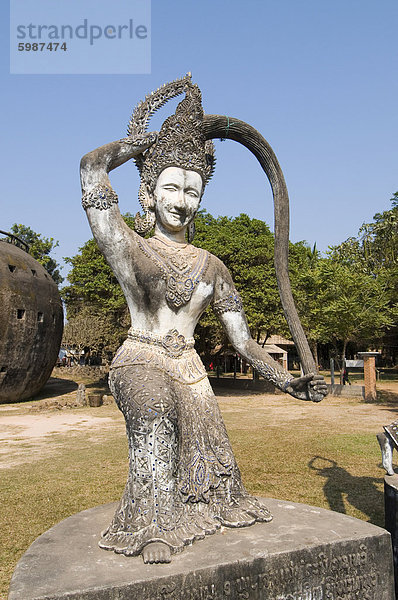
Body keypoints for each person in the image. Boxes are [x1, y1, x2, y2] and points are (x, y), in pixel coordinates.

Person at [80, 77, 327, 564]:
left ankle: (184, 513)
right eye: (170, 186)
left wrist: (286, 380)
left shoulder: (213, 266)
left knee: (213, 478)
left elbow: (243, 341)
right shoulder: (129, 246)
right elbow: (91, 168)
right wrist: (147, 143)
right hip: (140, 359)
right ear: (148, 193)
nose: (182, 199)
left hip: (192, 371)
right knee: (155, 417)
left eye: (192, 190)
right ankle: (151, 524)